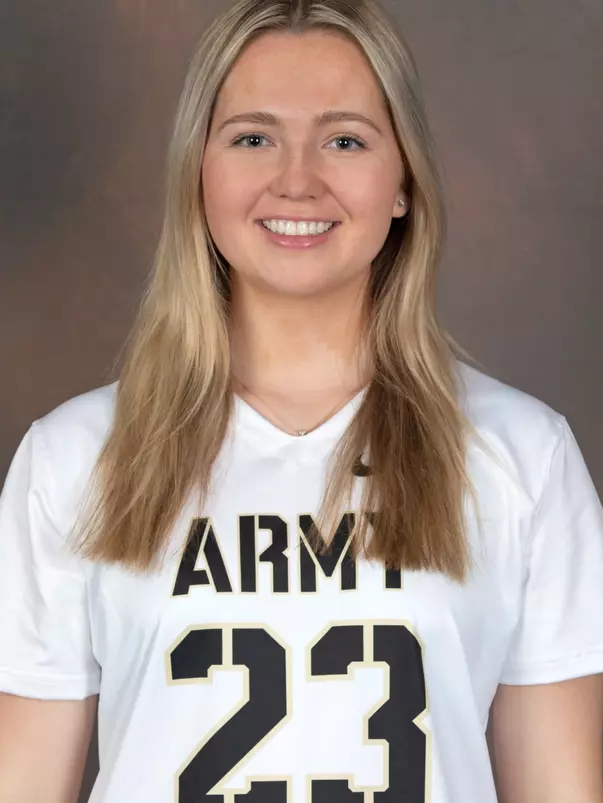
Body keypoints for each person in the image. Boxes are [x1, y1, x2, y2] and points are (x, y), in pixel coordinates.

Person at [1, 0, 602, 800]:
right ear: (198, 174)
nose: (295, 180)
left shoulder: (521, 455)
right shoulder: (75, 458)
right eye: (252, 138)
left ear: (403, 181)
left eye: (344, 140)